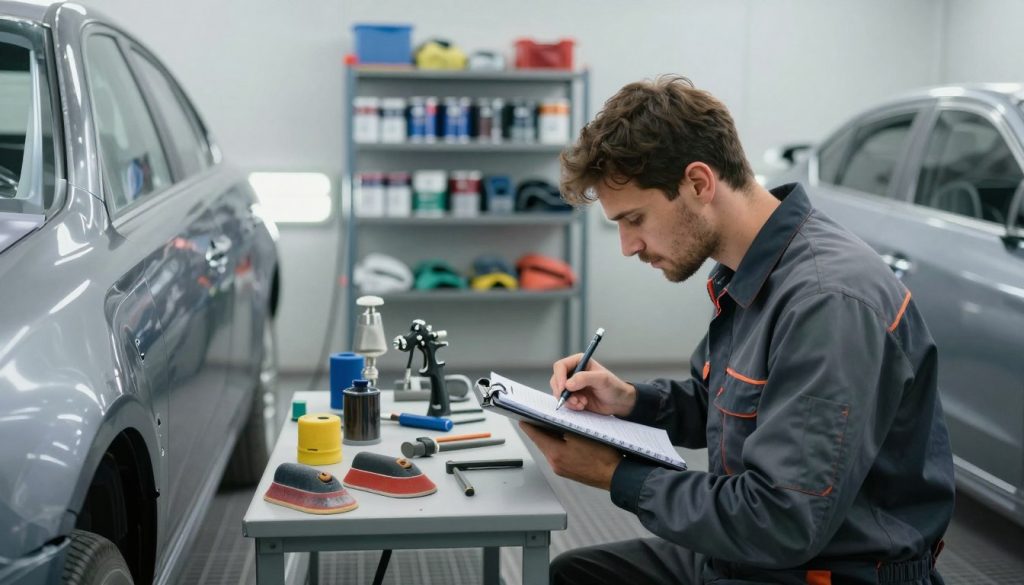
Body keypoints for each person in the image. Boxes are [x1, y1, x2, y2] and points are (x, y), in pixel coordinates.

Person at [518, 75, 955, 585]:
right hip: (758, 554)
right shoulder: (750, 271)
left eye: (634, 218)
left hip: (824, 569)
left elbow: (781, 518)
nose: (627, 245)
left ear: (699, 183)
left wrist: (617, 475)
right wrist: (628, 400)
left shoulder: (825, 302)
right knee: (578, 574)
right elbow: (725, 405)